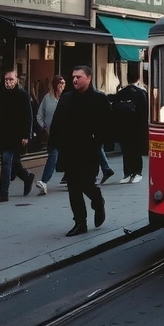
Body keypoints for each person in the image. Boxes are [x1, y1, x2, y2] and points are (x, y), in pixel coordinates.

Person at [47, 65, 111, 236]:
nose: (75, 80)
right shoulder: (66, 98)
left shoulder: (99, 99)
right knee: (73, 186)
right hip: (69, 150)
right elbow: (57, 122)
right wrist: (53, 144)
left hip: (89, 150)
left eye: (79, 77)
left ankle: (98, 201)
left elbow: (107, 125)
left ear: (89, 78)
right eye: (73, 77)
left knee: (87, 184)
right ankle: (80, 222)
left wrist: (97, 142)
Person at [0, 71, 35, 203]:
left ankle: (3, 193)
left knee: (6, 160)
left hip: (17, 135)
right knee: (14, 162)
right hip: (3, 135)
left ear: (16, 80)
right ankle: (27, 177)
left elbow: (28, 116)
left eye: (11, 80)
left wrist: (26, 135)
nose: (8, 82)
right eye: (6, 80)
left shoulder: (23, 96)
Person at [114, 64, 149, 184]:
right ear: (138, 79)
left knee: (126, 151)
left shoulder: (121, 92)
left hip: (123, 126)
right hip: (137, 127)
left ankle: (127, 174)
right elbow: (145, 111)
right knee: (136, 151)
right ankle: (137, 172)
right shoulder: (141, 92)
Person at [35, 75, 66, 195]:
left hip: (65, 133)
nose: (62, 86)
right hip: (52, 133)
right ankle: (44, 182)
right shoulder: (47, 98)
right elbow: (39, 115)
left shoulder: (66, 98)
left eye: (63, 83)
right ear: (55, 84)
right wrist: (44, 127)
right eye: (60, 83)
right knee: (53, 155)